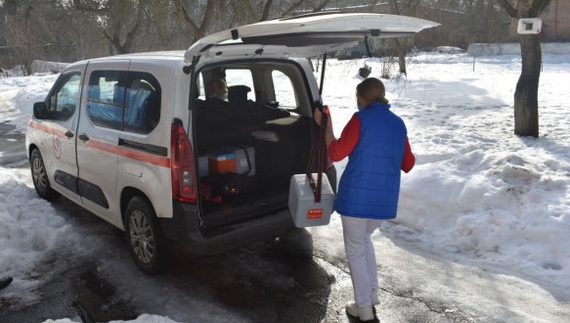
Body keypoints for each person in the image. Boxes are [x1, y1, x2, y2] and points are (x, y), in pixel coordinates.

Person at [314, 77, 415, 322]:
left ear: (361, 98)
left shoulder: (360, 120)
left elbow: (336, 152)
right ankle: (371, 294)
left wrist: (325, 128)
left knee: (356, 250)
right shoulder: (398, 123)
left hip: (356, 200)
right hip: (384, 202)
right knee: (364, 240)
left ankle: (364, 309)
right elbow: (408, 163)